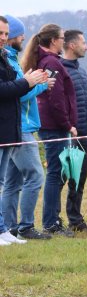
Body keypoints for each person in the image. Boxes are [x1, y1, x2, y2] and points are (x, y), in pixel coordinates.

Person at [22, 23, 78, 236]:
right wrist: (67, 124)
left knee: (57, 172)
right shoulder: (51, 62)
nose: (63, 41)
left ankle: (53, 218)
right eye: (62, 38)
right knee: (55, 173)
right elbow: (56, 99)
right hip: (54, 126)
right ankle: (50, 222)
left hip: (51, 124)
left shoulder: (46, 60)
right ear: (54, 40)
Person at [0, 15, 51, 240]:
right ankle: (25, 226)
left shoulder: (7, 59)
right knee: (35, 176)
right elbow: (14, 92)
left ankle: (7, 228)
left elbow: (16, 88)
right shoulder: (8, 61)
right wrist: (36, 84)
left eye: (6, 33)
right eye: (2, 33)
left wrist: (31, 83)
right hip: (19, 127)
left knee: (10, 182)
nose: (5, 37)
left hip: (13, 127)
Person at [61, 29, 87, 232]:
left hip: (85, 133)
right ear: (72, 45)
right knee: (61, 179)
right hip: (69, 135)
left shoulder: (81, 71)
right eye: (83, 42)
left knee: (79, 180)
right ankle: (52, 221)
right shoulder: (60, 70)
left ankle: (75, 220)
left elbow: (85, 103)